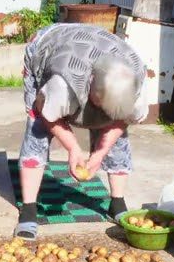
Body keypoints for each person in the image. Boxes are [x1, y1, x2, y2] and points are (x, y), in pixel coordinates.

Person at [15, 22, 148, 240]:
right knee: (37, 129)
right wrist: (73, 148)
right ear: (91, 88)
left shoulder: (136, 80)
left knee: (118, 137)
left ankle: (117, 204)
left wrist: (100, 153)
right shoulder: (63, 83)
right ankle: (29, 211)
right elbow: (46, 114)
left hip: (94, 45)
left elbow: (124, 120)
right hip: (47, 46)